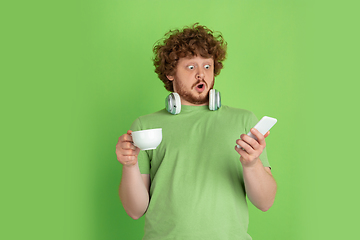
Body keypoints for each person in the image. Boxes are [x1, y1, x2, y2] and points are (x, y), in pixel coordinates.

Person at [116, 23, 277, 240]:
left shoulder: (244, 120)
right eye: (191, 67)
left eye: (207, 66)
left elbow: (265, 203)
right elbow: (135, 210)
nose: (201, 74)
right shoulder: (145, 127)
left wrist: (251, 164)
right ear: (170, 73)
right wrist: (129, 165)